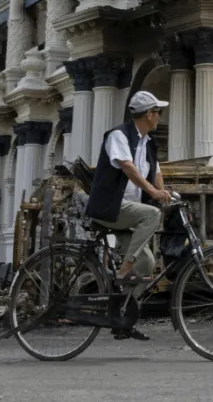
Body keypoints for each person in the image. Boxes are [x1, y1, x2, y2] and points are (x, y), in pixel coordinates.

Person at [84, 89, 172, 339]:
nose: (160, 117)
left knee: (147, 263)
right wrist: (153, 194)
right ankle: (125, 269)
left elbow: (155, 171)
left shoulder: (148, 142)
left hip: (126, 211)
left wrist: (163, 194)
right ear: (148, 114)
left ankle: (121, 317)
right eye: (158, 112)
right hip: (110, 207)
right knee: (150, 215)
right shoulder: (118, 136)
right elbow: (128, 167)